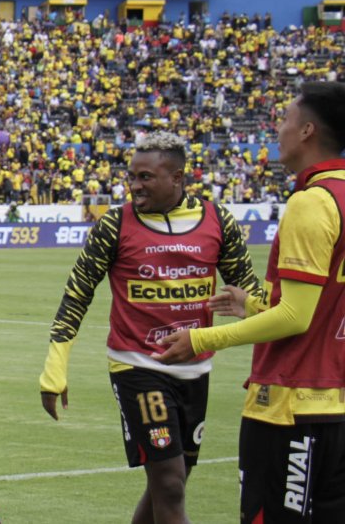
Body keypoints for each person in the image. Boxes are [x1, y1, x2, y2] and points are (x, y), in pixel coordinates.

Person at [38, 131, 262, 524]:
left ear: (177, 177)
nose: (134, 186)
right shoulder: (115, 224)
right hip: (137, 366)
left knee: (171, 481)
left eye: (146, 178)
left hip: (196, 367)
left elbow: (248, 286)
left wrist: (260, 305)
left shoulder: (216, 219)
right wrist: (55, 368)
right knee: (171, 483)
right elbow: (77, 294)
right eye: (133, 177)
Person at [156, 81, 345, 523]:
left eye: (284, 119)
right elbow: (322, 307)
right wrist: (256, 306)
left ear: (307, 131)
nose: (276, 129)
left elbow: (297, 317)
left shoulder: (313, 201)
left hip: (290, 405)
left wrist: (204, 338)